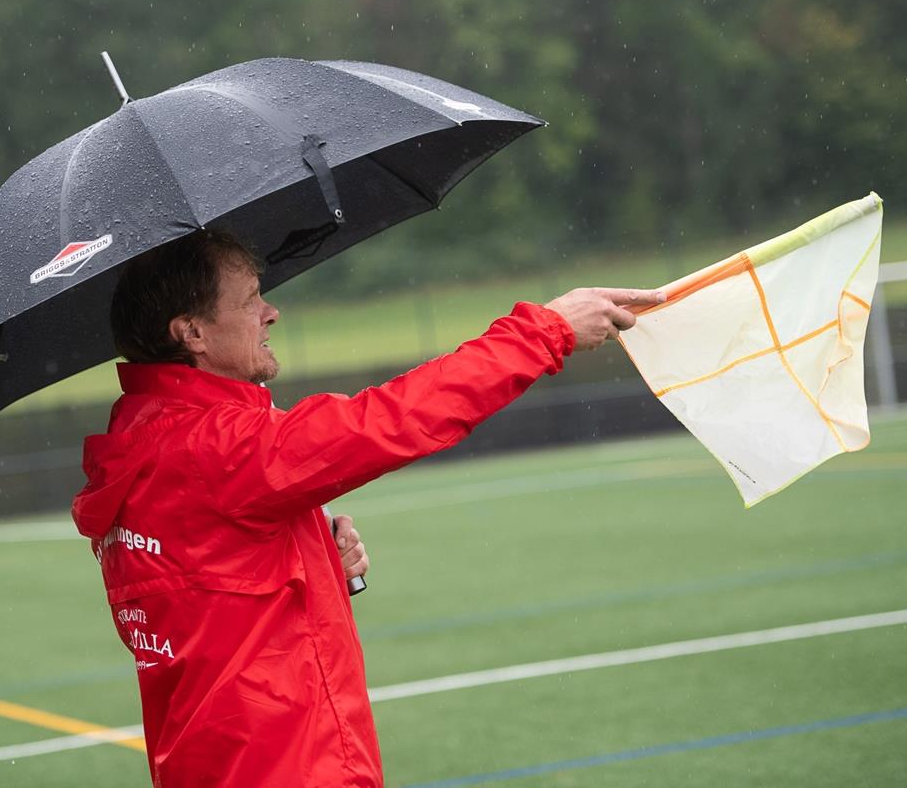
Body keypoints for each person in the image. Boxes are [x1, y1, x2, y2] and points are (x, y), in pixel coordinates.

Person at [71, 229, 664, 787]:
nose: (270, 312)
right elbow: (392, 419)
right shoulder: (216, 447)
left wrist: (306, 556)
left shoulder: (145, 444)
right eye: (250, 300)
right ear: (191, 333)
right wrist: (546, 331)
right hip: (288, 768)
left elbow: (207, 591)